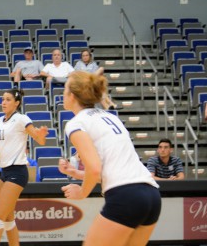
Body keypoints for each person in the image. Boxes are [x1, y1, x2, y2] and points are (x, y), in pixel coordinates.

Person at [60, 71, 161, 246]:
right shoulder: (109, 117)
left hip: (126, 196)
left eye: (65, 88)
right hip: (151, 195)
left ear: (72, 95)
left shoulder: (76, 123)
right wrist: (75, 173)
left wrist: (82, 192)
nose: (63, 93)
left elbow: (94, 168)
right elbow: (111, 170)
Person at [0, 89, 48, 246]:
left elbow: (40, 141)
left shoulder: (21, 119)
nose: (3, 102)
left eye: (8, 99)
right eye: (2, 99)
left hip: (18, 172)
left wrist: (41, 134)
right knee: (8, 219)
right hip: (4, 173)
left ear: (17, 103)